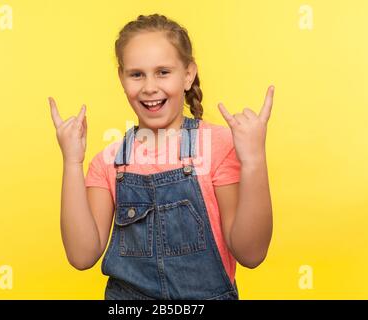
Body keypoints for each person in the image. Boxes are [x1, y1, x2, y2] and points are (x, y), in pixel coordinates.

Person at [48, 13, 274, 300]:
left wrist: (254, 160)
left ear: (188, 74)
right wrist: (72, 162)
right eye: (136, 74)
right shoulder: (109, 161)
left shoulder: (218, 146)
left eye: (163, 72)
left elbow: (251, 253)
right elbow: (82, 257)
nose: (149, 87)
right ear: (122, 78)